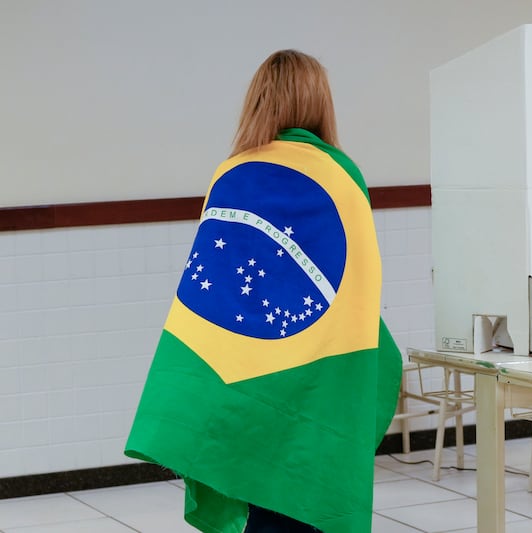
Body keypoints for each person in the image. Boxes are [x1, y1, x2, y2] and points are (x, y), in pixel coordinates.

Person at [125, 49, 402, 533]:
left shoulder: (229, 174)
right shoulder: (342, 176)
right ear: (320, 102)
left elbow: (210, 292)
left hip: (239, 384)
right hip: (314, 378)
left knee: (251, 500)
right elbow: (358, 287)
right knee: (303, 493)